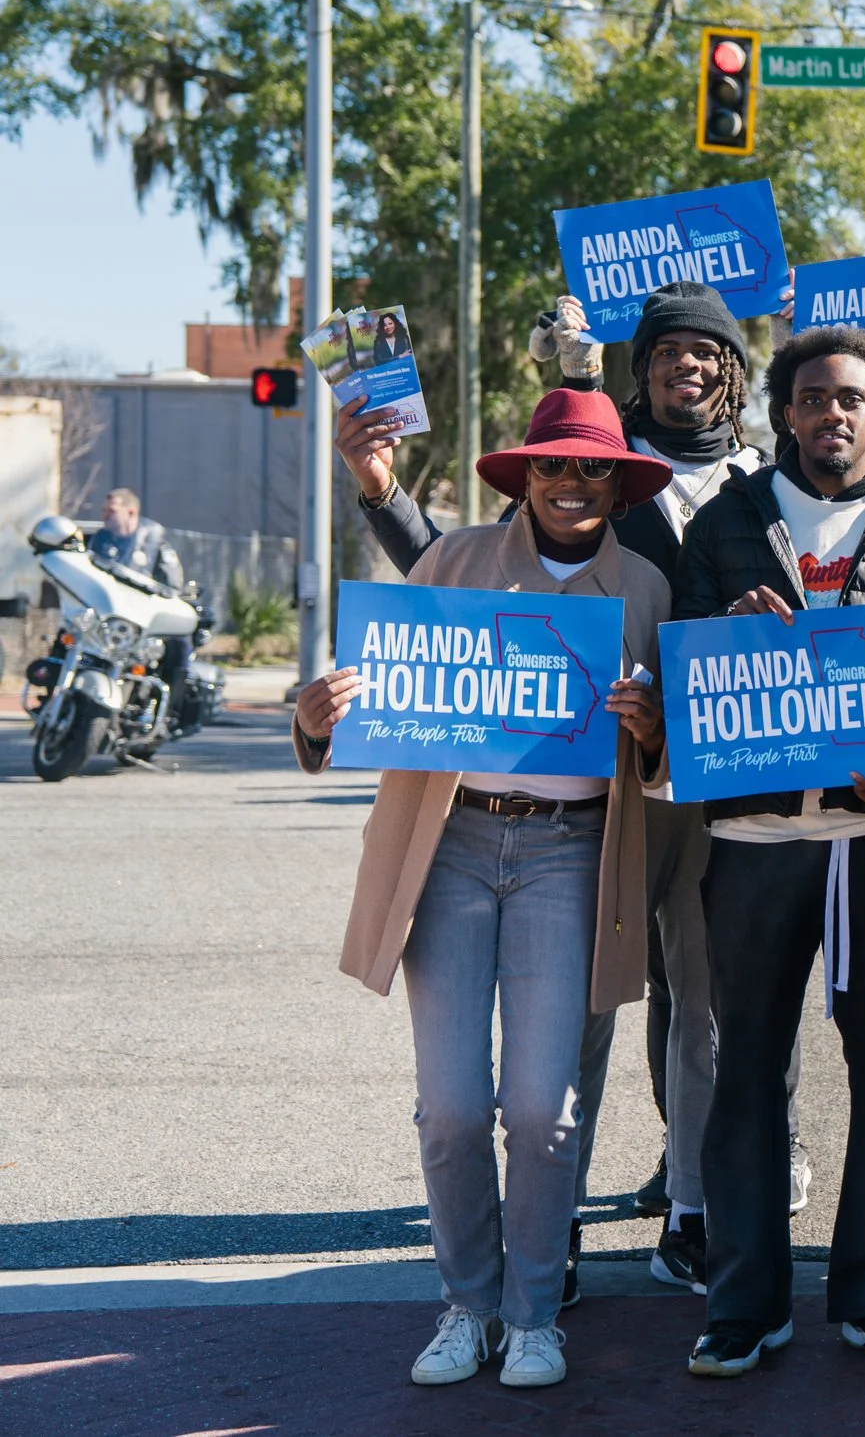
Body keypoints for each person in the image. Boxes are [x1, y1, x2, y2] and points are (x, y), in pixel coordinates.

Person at [335, 279, 789, 1300]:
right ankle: (557, 1227)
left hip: (712, 785)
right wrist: (378, 491)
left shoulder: (759, 485)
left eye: (711, 354)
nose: (691, 367)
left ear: (733, 375)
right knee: (576, 1024)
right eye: (670, 351)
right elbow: (439, 603)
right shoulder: (555, 496)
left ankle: (698, 1205)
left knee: (708, 1007)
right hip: (589, 807)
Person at [289, 388, 671, 1390]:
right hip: (451, 851)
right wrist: (321, 713)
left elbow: (669, 764)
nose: (571, 483)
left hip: (568, 855)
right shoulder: (450, 562)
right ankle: (466, 1303)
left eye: (592, 467)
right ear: (525, 474)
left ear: (620, 485)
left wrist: (651, 730)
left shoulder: (645, 589)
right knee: (453, 1106)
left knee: (545, 1106)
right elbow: (389, 700)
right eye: (553, 464)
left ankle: (533, 1312)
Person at [672, 325, 865, 1382]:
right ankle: (742, 1301)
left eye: (850, 396)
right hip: (756, 835)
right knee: (745, 1071)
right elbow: (678, 663)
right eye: (811, 397)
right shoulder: (726, 520)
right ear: (785, 412)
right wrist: (727, 628)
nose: (831, 413)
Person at [89, 488, 203, 727]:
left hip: (143, 619)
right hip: (108, 617)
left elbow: (173, 584)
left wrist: (170, 595)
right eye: (104, 510)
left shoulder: (155, 543)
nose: (105, 515)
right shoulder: (98, 541)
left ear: (131, 512)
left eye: (111, 510)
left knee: (180, 642)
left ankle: (172, 708)